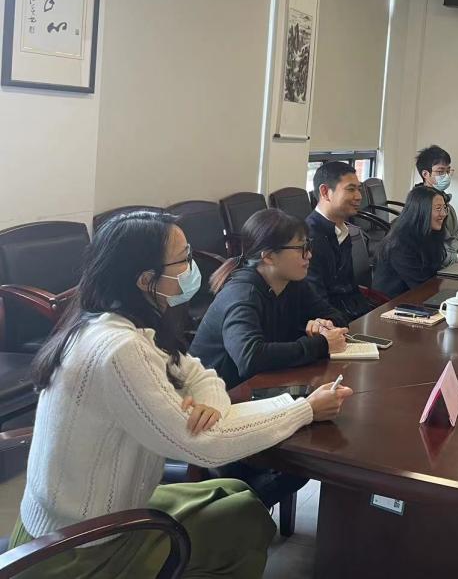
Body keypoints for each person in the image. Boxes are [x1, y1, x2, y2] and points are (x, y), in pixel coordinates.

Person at [10, 211, 351, 578]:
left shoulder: (118, 320)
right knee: (245, 522)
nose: (193, 267)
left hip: (106, 510)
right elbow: (204, 444)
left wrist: (210, 403)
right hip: (81, 544)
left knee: (234, 493)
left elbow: (197, 371)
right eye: (184, 258)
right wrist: (304, 409)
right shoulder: (119, 348)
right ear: (146, 280)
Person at [190, 208, 349, 390]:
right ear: (269, 257)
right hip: (215, 395)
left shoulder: (293, 283)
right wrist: (321, 344)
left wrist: (323, 326)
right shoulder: (243, 294)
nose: (309, 255)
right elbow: (250, 358)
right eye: (301, 249)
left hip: (261, 386)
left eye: (308, 246)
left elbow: (337, 316)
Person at [306, 160, 375, 320]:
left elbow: (349, 286)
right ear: (325, 192)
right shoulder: (309, 237)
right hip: (330, 323)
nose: (359, 196)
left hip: (352, 314)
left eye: (358, 189)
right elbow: (316, 302)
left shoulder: (343, 230)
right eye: (350, 189)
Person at [373, 186, 447, 298]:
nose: (443, 213)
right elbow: (420, 286)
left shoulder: (430, 234)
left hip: (416, 295)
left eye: (444, 208)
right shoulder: (400, 244)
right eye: (438, 208)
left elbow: (433, 276)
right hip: (391, 303)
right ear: (420, 211)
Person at [415, 144, 458, 267]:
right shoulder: (420, 206)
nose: (446, 176)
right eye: (440, 172)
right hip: (438, 266)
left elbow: (457, 235)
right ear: (425, 174)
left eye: (448, 171)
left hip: (455, 262)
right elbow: (427, 250)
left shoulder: (447, 205)